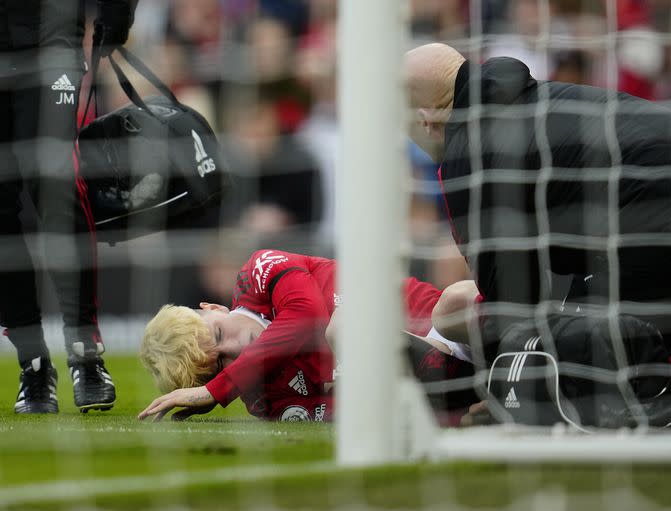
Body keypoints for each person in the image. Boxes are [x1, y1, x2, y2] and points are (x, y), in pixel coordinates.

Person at [404, 43, 671, 419]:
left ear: (425, 118)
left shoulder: (469, 152)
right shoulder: (532, 97)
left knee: (581, 340)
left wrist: (506, 395)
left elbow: (513, 302)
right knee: (580, 315)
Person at [138, 249, 476, 423]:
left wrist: (217, 388)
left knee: (454, 301)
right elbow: (351, 415)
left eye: (219, 333)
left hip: (443, 324)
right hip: (431, 385)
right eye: (223, 361)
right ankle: (485, 397)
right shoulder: (264, 400)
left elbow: (307, 318)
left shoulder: (258, 271)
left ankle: (522, 347)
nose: (238, 346)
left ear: (213, 306)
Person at [0, 1, 137, 413]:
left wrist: (117, 12)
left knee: (54, 183)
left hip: (50, 38)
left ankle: (86, 353)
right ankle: (33, 364)